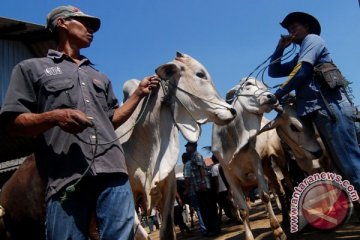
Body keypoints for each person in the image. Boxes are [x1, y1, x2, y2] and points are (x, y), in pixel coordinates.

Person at [0, 5, 160, 240]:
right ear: (62, 23)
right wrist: (56, 117)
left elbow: (111, 120)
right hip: (65, 176)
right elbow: (13, 122)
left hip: (112, 170)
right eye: (84, 23)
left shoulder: (99, 77)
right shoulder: (31, 69)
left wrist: (138, 93)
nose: (91, 30)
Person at [268, 12, 360, 193]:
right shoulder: (300, 53)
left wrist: (278, 94)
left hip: (330, 108)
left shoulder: (313, 40)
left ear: (307, 27)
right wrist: (280, 49)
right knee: (340, 165)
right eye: (288, 28)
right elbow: (273, 71)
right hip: (319, 111)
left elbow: (302, 71)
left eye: (295, 26)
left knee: (350, 162)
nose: (290, 30)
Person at [183, 142, 221, 237]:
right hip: (198, 188)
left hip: (204, 187)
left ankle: (215, 229)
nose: (186, 148)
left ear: (193, 147)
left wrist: (203, 182)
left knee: (209, 209)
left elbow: (201, 170)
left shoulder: (197, 156)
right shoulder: (192, 157)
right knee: (204, 210)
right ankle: (209, 229)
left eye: (188, 146)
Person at [182, 152, 207, 235]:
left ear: (183, 159)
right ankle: (207, 226)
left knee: (198, 209)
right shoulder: (194, 162)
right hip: (200, 188)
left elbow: (187, 179)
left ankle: (203, 228)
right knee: (203, 208)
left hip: (192, 191)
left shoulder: (186, 166)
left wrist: (186, 190)